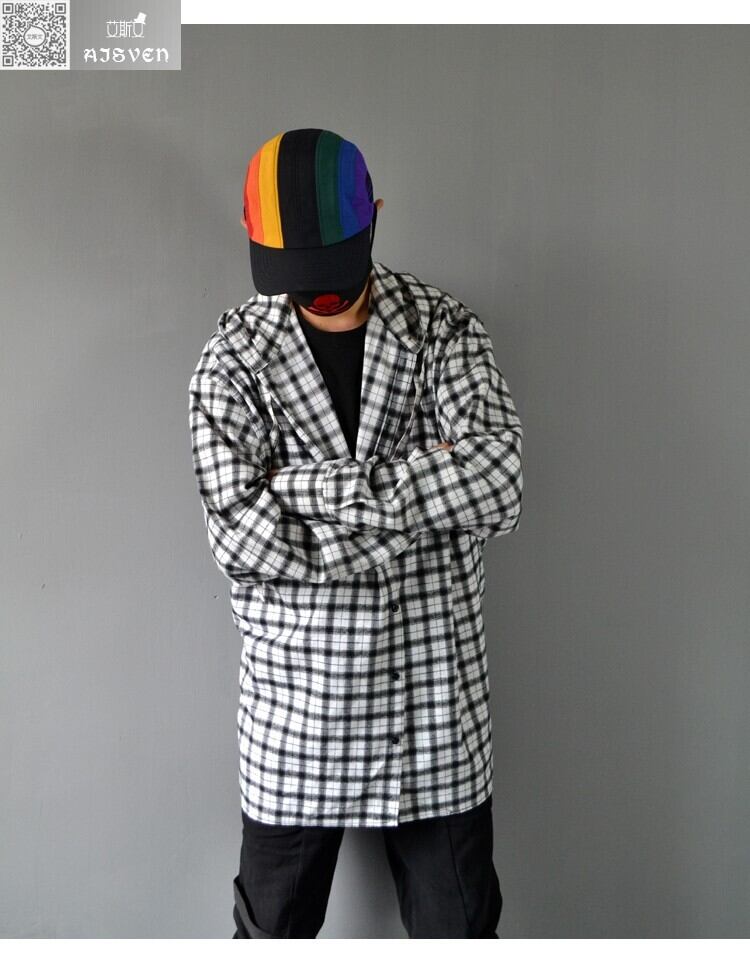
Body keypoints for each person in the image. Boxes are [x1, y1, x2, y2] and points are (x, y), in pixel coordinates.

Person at [188, 127, 524, 938]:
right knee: (270, 936)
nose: (317, 294)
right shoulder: (232, 362)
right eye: (297, 278)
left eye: (332, 273)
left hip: (434, 709)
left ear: (374, 217)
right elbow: (243, 543)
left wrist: (300, 487)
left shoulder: (443, 330)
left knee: (461, 936)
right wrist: (422, 500)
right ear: (253, 240)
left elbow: (499, 482)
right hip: (297, 714)